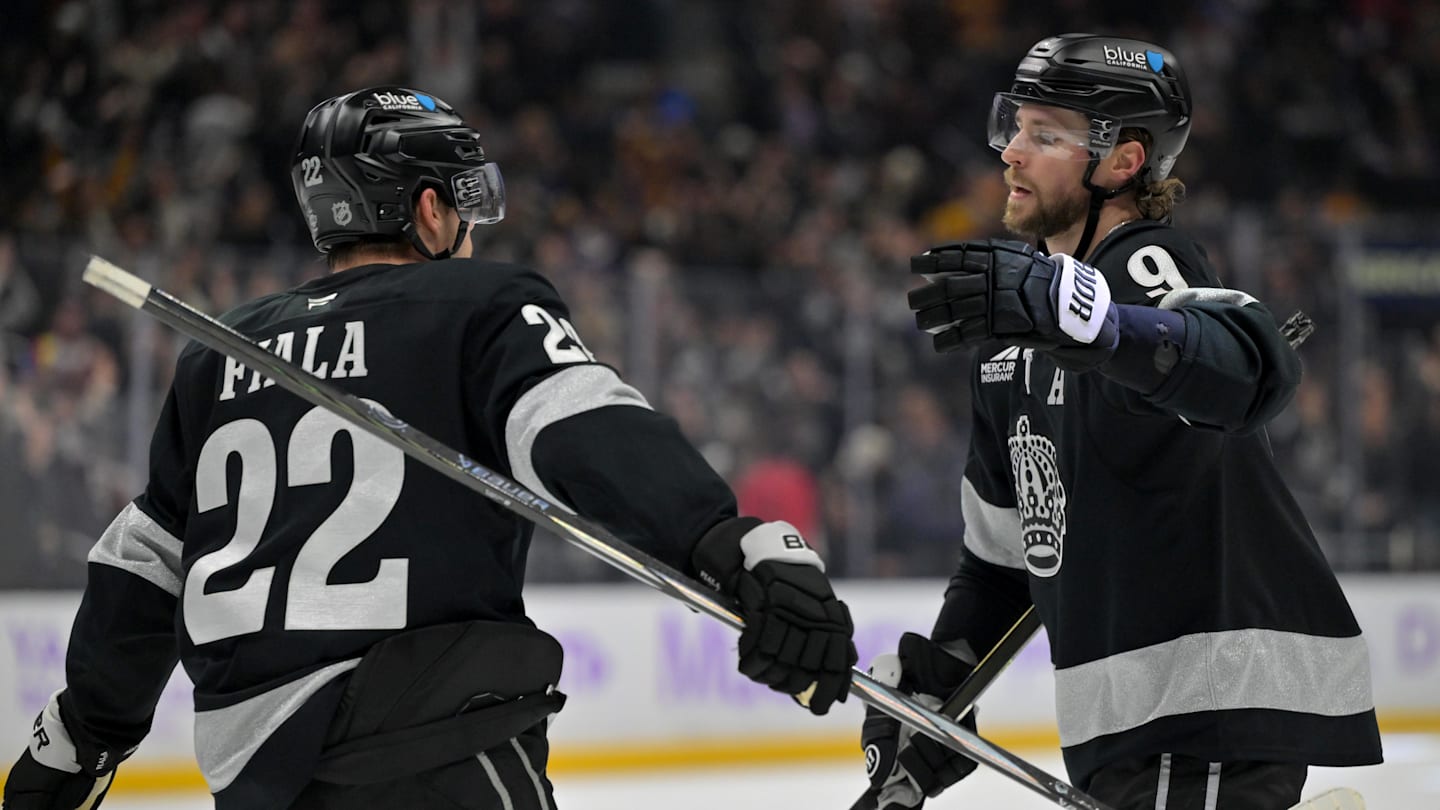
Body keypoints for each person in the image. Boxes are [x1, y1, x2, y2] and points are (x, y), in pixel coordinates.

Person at [3, 86, 857, 810]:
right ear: (425, 209)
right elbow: (581, 426)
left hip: (260, 778)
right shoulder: (475, 301)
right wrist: (728, 542)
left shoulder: (221, 353)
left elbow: (146, 566)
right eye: (462, 200)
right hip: (437, 752)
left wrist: (81, 734)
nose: (472, 229)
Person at [856, 35, 1383, 810]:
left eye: (1046, 135)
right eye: (1014, 126)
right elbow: (1006, 562)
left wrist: (1098, 324)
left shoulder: (1142, 265)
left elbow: (1244, 372)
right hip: (1135, 734)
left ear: (1122, 162)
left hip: (1209, 711)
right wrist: (942, 681)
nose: (1012, 154)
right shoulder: (1009, 343)